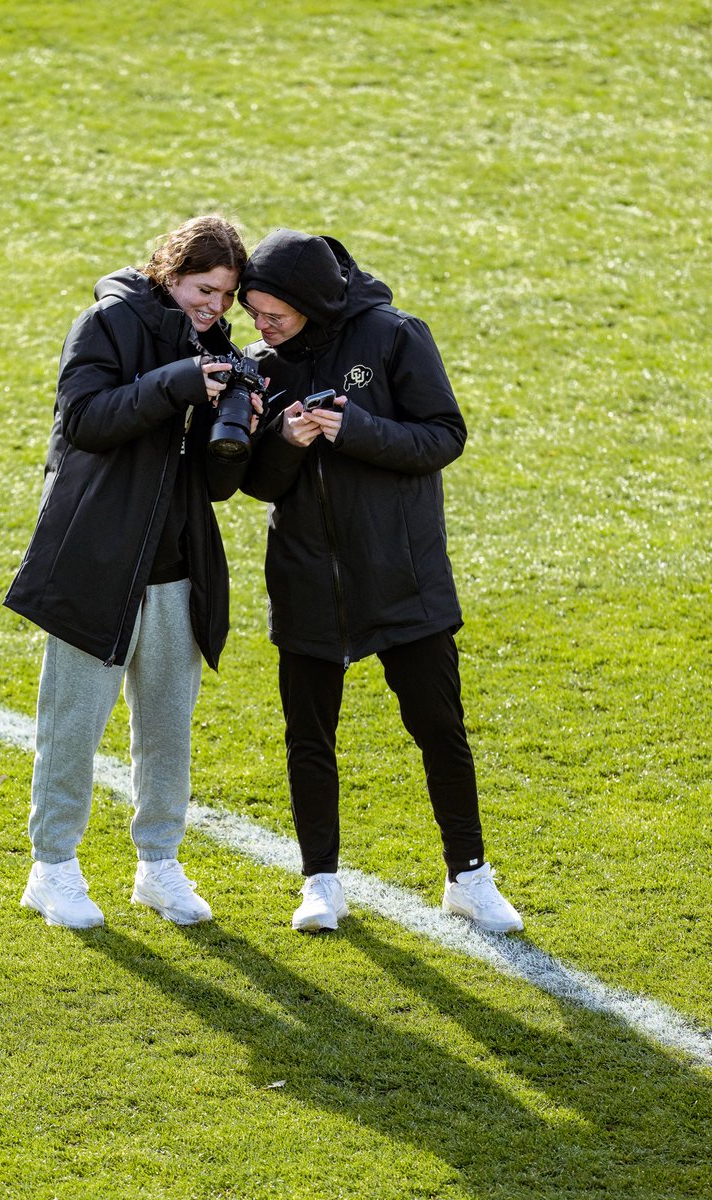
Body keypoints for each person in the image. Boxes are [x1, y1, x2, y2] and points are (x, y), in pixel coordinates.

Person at [238, 228, 523, 935]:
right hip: (306, 580)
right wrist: (285, 442)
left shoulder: (396, 336)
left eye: (273, 313)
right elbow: (255, 483)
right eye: (254, 313)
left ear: (310, 302)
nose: (261, 326)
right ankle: (321, 883)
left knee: (440, 729)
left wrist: (355, 430)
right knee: (309, 738)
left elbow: (444, 436)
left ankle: (469, 877)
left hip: (404, 576)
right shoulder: (261, 367)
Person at [5, 215, 258, 930]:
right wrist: (178, 384)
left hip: (177, 565)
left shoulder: (217, 348)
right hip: (98, 561)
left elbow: (213, 486)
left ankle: (158, 864)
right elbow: (84, 420)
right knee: (73, 725)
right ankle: (52, 866)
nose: (214, 306)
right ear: (170, 272)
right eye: (204, 290)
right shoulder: (106, 323)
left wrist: (239, 431)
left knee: (167, 729)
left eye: (227, 296)